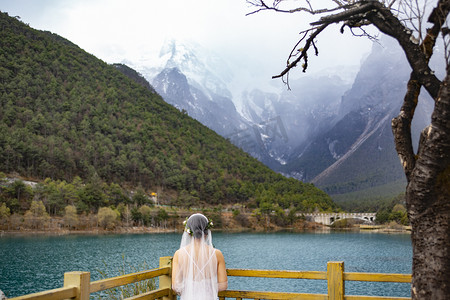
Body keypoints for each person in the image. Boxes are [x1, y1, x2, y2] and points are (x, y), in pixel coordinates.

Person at [172, 213, 228, 300]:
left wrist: (191, 288)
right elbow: (223, 285)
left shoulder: (179, 254)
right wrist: (207, 288)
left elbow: (176, 287)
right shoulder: (217, 254)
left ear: (188, 232)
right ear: (207, 231)